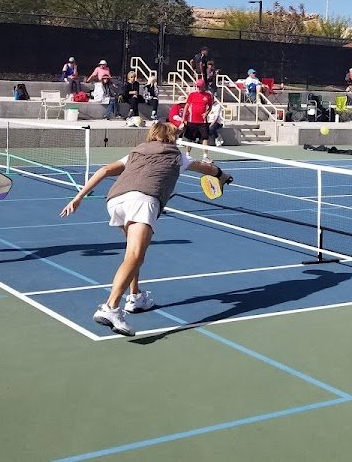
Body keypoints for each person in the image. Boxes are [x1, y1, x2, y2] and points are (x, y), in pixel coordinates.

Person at [59, 122, 233, 335]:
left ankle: (136, 297)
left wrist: (78, 198)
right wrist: (223, 176)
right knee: (135, 255)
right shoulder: (178, 155)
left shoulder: (136, 152)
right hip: (143, 199)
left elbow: (104, 170)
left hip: (115, 200)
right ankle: (111, 307)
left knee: (132, 254)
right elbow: (207, 168)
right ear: (171, 137)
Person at [181, 77, 214, 161]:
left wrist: (206, 113)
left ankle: (205, 156)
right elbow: (186, 107)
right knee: (190, 138)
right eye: (197, 86)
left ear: (203, 86)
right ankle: (187, 155)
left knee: (205, 138)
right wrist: (183, 118)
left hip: (203, 121)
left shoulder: (208, 95)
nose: (198, 88)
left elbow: (210, 107)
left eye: (200, 86)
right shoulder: (192, 95)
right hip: (192, 120)